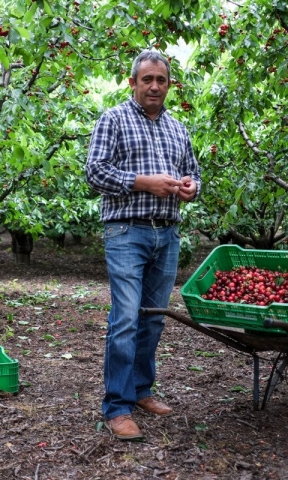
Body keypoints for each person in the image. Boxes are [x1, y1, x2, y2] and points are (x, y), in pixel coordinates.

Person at [85, 50, 202, 440]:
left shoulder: (178, 128)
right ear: (132, 82)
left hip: (166, 233)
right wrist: (143, 182)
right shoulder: (113, 119)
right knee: (126, 318)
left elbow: (194, 175)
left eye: (161, 80)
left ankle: (140, 390)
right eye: (147, 79)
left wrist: (189, 188)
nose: (154, 86)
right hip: (126, 231)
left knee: (153, 317)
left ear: (169, 85)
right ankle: (116, 406)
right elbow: (95, 171)